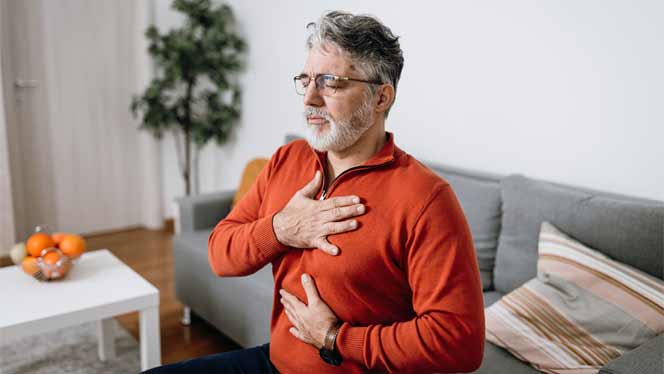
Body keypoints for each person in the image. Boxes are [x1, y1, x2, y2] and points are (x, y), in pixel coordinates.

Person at [145, 10, 484, 374]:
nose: (309, 99)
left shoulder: (426, 198)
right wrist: (280, 230)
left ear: (381, 98)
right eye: (305, 80)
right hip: (275, 363)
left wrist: (335, 337)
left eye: (330, 83)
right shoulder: (287, 160)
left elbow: (459, 342)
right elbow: (220, 254)